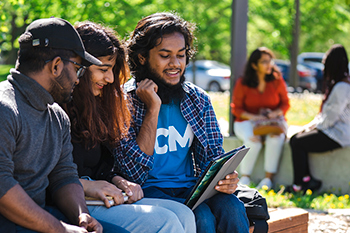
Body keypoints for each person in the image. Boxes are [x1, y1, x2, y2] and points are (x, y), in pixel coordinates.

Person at [114, 12, 249, 233]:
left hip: (191, 189)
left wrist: (227, 179)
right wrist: (153, 109)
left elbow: (212, 159)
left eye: (181, 55)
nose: (175, 64)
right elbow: (132, 175)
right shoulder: (123, 101)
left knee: (233, 207)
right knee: (202, 218)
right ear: (142, 58)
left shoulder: (198, 99)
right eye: (165, 55)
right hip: (146, 192)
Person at [63, 21, 196, 233]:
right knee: (165, 221)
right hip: (75, 201)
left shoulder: (98, 105)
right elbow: (50, 175)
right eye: (103, 70)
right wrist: (89, 185)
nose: (110, 78)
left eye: (112, 70)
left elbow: (104, 166)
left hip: (103, 195)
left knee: (184, 214)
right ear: (78, 67)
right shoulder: (57, 107)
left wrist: (119, 181)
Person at [0, 17, 103, 233]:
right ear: (56, 66)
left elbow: (63, 175)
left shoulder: (57, 116)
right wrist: (60, 229)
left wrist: (80, 215)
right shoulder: (5, 108)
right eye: (78, 68)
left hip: (40, 220)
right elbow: (2, 185)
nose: (77, 79)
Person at [288, 44, 350, 193]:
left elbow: (330, 118)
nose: (323, 68)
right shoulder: (341, 84)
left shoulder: (342, 87)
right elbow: (325, 116)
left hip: (338, 134)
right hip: (333, 130)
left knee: (297, 142)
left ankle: (299, 185)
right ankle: (307, 180)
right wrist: (309, 127)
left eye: (325, 64)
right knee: (297, 138)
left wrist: (312, 128)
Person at [231, 47, 290, 190]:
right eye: (264, 62)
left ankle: (268, 180)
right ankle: (245, 178)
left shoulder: (277, 80)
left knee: (275, 138)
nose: (269, 64)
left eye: (270, 61)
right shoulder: (243, 83)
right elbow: (236, 108)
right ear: (254, 65)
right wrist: (254, 117)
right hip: (247, 121)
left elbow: (285, 104)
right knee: (253, 140)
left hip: (273, 121)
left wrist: (274, 113)